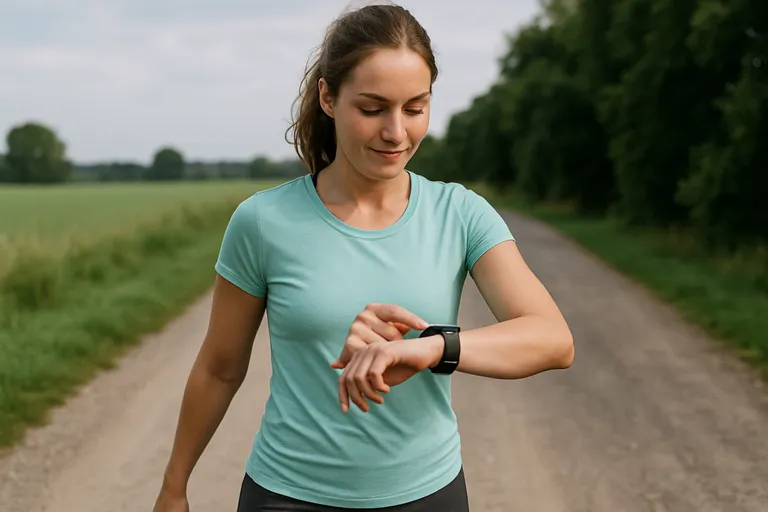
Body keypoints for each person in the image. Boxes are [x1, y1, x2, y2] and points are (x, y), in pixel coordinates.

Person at [152, 3, 574, 511]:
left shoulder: (460, 213)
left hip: (428, 495)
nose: (396, 132)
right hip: (286, 495)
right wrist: (174, 488)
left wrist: (428, 348)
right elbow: (219, 368)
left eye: (415, 108)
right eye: (373, 109)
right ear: (328, 97)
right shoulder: (263, 221)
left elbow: (553, 340)